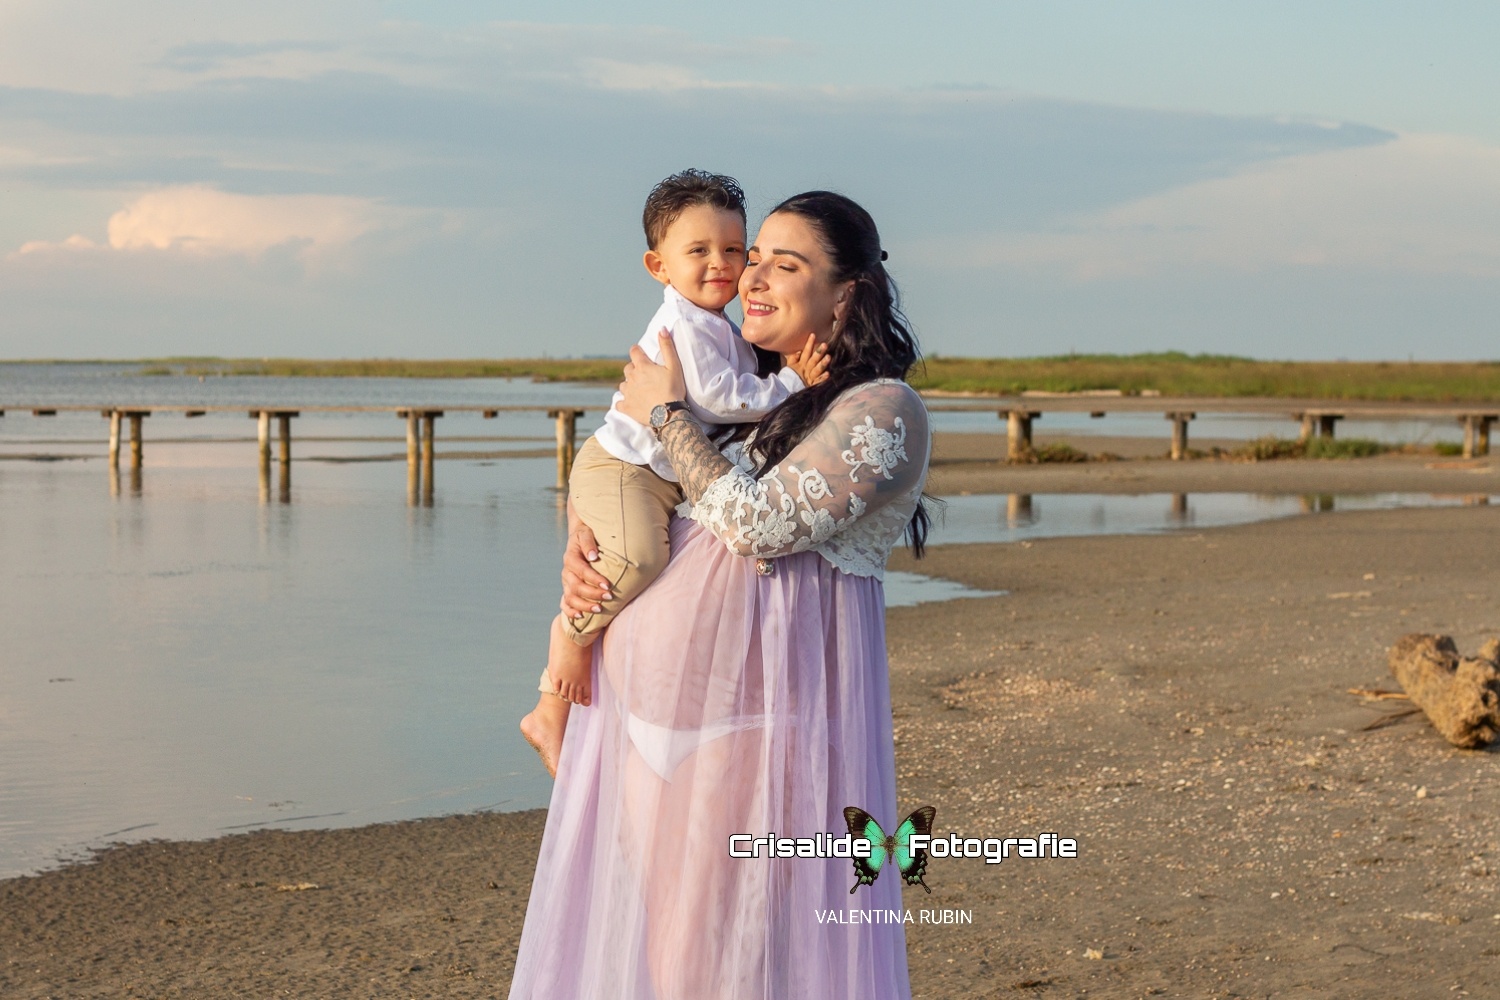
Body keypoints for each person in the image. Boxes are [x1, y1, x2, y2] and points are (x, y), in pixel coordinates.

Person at [508, 191, 931, 1000]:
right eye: (755, 259)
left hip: (751, 724)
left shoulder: (880, 409)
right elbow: (659, 488)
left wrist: (666, 410)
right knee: (666, 953)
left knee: (720, 963)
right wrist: (583, 534)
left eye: (785, 263)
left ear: (847, 292)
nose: (751, 277)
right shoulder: (752, 392)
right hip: (644, 719)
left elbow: (755, 525)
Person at [520, 170, 830, 775]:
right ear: (657, 266)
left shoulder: (724, 327)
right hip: (629, 467)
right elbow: (715, 401)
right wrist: (792, 383)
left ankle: (555, 707)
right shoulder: (684, 327)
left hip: (650, 470)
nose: (721, 264)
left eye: (734, 250)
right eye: (698, 251)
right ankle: (568, 640)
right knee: (637, 558)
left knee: (635, 558)